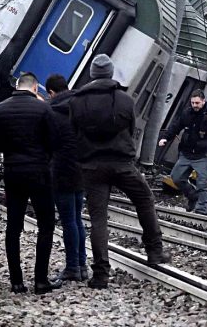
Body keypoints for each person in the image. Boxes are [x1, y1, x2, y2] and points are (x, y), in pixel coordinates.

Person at [68, 54, 169, 289]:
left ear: (93, 74)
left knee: (98, 219)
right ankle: (155, 252)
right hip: (122, 164)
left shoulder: (76, 102)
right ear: (110, 73)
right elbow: (133, 129)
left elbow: (73, 133)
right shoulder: (125, 100)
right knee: (145, 200)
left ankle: (101, 274)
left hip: (92, 167)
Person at [0, 72, 60, 295]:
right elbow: (54, 142)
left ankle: (16, 281)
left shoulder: (0, 109)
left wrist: (11, 148)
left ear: (17, 86)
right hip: (39, 173)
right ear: (35, 89)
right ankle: (41, 280)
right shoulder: (44, 109)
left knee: (14, 226)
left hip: (13, 172)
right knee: (46, 225)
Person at [45, 74, 87, 283]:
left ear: (51, 92)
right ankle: (82, 265)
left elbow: (48, 144)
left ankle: (72, 267)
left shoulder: (52, 112)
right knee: (77, 219)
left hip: (61, 170)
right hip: (81, 168)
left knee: (68, 220)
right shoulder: (81, 107)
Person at [160, 90, 207, 215]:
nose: (195, 105)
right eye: (193, 103)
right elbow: (176, 126)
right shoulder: (187, 113)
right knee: (176, 178)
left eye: (197, 103)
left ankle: (202, 210)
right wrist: (165, 138)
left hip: (203, 155)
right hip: (186, 153)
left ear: (203, 101)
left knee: (203, 182)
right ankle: (192, 196)